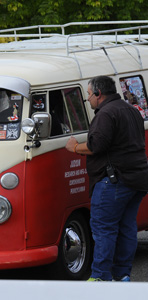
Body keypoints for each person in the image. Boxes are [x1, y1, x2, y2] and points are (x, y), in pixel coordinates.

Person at [65, 75, 148, 282]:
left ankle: (101, 277)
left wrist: (74, 147)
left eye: (88, 95)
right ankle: (122, 275)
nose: (88, 99)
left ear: (98, 94)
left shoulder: (105, 114)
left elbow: (96, 146)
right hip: (137, 178)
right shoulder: (132, 110)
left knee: (104, 229)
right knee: (127, 227)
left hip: (113, 180)